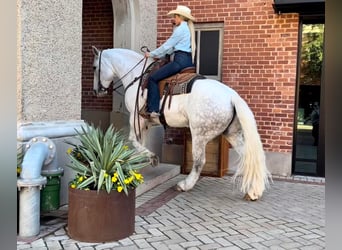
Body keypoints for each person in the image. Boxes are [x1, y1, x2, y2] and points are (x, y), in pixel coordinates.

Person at [144, 5, 196, 118]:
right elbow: (171, 49)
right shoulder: (187, 28)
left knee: (153, 78)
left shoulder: (181, 29)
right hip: (188, 62)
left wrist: (151, 54)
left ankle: (153, 110)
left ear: (180, 17)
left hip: (179, 61)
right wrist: (160, 55)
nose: (174, 19)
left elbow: (167, 45)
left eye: (175, 17)